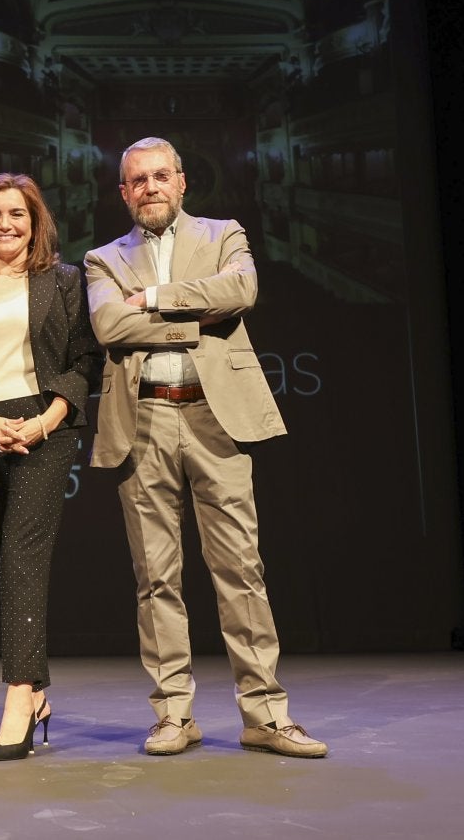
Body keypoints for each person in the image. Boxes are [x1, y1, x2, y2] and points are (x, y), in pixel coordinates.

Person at [83, 136, 328, 759]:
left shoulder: (224, 235)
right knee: (156, 578)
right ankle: (173, 716)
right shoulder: (102, 258)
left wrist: (158, 300)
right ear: (123, 192)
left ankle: (266, 716)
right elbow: (111, 325)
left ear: (182, 181)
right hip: (144, 420)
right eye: (137, 181)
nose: (150, 188)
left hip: (216, 417)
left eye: (160, 176)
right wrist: (197, 317)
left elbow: (239, 291)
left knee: (241, 571)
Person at [0, 174, 102, 761]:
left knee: (20, 549)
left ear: (37, 222)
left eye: (17, 214)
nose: (5, 224)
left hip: (46, 427)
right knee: (4, 554)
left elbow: (84, 358)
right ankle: (37, 690)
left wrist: (43, 422)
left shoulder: (63, 282)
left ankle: (18, 697)